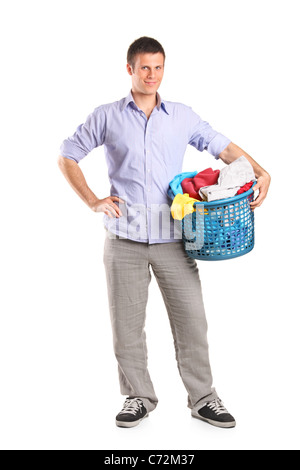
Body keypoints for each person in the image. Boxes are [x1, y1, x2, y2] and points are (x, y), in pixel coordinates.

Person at [58, 36, 271, 429]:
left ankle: (204, 398)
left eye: (158, 67)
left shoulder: (183, 116)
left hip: (175, 238)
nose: (152, 75)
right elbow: (67, 154)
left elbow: (222, 148)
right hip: (124, 239)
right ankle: (138, 396)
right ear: (130, 69)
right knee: (126, 326)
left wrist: (260, 171)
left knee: (192, 320)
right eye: (144, 67)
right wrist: (92, 200)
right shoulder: (107, 116)